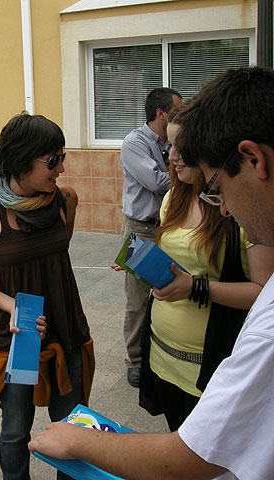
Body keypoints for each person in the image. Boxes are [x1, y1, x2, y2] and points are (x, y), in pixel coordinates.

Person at [29, 66, 274, 480]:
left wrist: (77, 440)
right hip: (166, 355)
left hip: (206, 358)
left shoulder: (265, 329)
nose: (225, 208)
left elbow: (190, 456)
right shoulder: (174, 198)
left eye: (218, 186)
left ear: (253, 159)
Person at [0, 113, 94, 480]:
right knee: (16, 431)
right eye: (53, 160)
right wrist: (12, 307)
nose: (62, 169)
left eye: (62, 158)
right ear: (21, 158)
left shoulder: (65, 199)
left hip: (65, 328)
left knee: (74, 427)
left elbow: (56, 253)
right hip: (17, 336)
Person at [139, 112, 274, 431]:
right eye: (168, 145)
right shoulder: (172, 198)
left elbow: (264, 292)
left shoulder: (244, 207)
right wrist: (145, 263)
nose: (171, 156)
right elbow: (176, 257)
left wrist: (195, 288)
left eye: (180, 145)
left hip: (211, 365)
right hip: (162, 356)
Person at [119, 87, 182, 387]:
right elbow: (157, 182)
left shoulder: (168, 143)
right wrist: (185, 171)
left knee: (166, 292)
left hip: (166, 228)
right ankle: (135, 360)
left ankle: (157, 350)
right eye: (176, 111)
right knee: (138, 299)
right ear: (161, 113)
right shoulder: (135, 142)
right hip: (141, 230)